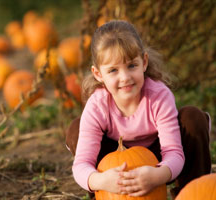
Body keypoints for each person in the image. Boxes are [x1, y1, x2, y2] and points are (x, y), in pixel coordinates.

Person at [65, 20, 211, 198]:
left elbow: (174, 153)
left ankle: (191, 193)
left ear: (144, 62)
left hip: (157, 157)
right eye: (113, 70)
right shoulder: (98, 105)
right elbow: (81, 165)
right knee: (76, 129)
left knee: (192, 118)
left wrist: (158, 175)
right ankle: (102, 195)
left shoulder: (158, 97)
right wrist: (101, 180)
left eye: (132, 66)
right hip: (113, 161)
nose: (125, 77)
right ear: (98, 74)